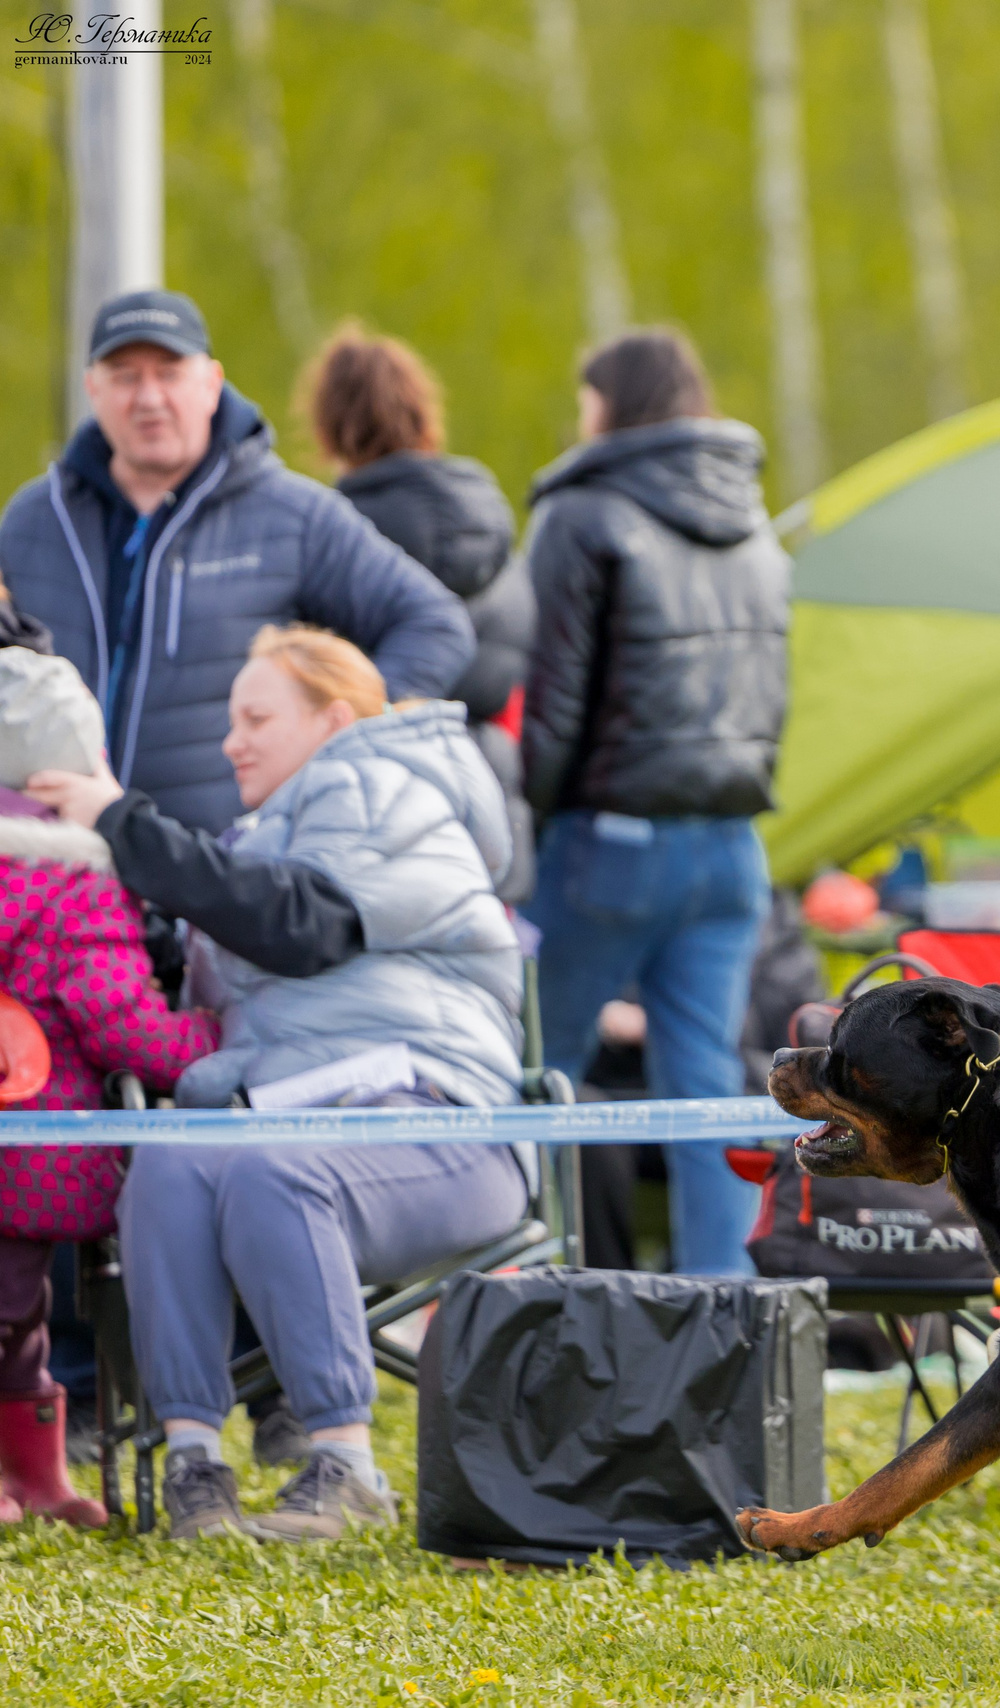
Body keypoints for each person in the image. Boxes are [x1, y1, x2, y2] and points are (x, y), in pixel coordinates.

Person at [28, 625, 528, 1541]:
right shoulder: (270, 831)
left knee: (271, 1169)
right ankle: (192, 1462)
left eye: (256, 718)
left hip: (443, 1127)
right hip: (292, 1123)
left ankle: (347, 1465)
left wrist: (120, 822)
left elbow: (301, 925)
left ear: (334, 720)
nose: (231, 743)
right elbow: (230, 930)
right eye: (231, 722)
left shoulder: (385, 787)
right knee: (168, 1164)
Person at [0, 289, 476, 833]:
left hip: (221, 863)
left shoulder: (292, 514)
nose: (149, 397)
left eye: (169, 373)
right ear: (93, 388)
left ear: (211, 383)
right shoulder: (36, 517)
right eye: (125, 376)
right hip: (57, 859)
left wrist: (342, 745)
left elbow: (434, 623)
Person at [520, 328, 790, 1277]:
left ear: (610, 405)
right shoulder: (755, 522)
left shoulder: (580, 514)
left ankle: (516, 1292)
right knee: (708, 1090)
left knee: (535, 1071)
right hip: (731, 847)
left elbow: (550, 707)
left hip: (611, 844)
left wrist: (525, 833)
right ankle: (729, 1310)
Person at [0, 636, 215, 1530]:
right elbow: (123, 1023)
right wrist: (209, 1040)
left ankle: (36, 1477)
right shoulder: (73, 887)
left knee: (19, 1314)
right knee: (12, 1311)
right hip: (29, 1156)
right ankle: (32, 1477)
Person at [303, 325, 537, 903]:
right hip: (491, 802)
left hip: (379, 812)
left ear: (328, 426)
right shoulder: (492, 525)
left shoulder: (332, 533)